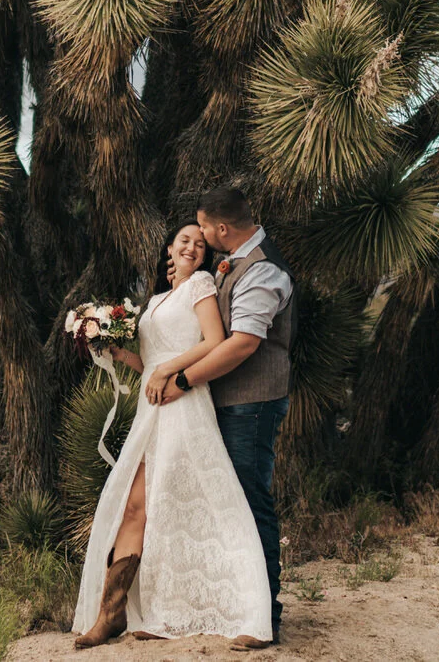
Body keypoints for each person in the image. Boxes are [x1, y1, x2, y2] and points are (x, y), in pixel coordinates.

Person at [71, 222, 273, 650]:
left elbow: (214, 341)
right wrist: (115, 350)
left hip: (184, 405)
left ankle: (248, 607)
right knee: (136, 507)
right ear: (169, 247)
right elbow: (149, 366)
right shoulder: (157, 300)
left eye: (200, 244)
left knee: (189, 504)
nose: (193, 247)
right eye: (185, 240)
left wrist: (168, 370)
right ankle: (112, 613)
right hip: (153, 408)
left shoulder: (200, 284)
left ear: (203, 257)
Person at [153, 186, 295, 649]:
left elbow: (242, 344)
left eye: (205, 231)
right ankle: (239, 605)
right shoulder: (234, 260)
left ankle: (264, 618)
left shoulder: (264, 270)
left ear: (220, 229)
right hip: (228, 403)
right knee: (230, 504)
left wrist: (183, 380)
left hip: (251, 403)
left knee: (250, 502)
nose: (204, 240)